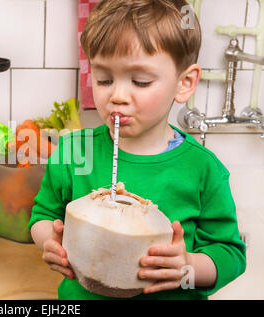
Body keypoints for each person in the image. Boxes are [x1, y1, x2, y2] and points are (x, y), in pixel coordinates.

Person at [28, 0, 246, 300]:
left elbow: (230, 254)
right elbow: (42, 215)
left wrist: (187, 267)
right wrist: (50, 241)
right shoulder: (72, 152)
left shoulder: (203, 169)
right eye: (104, 79)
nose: (117, 95)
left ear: (184, 83)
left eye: (140, 81)